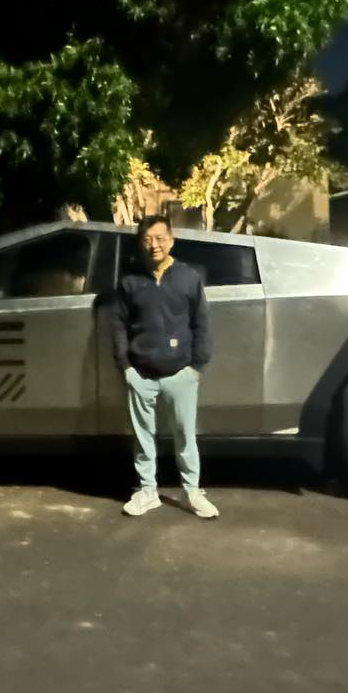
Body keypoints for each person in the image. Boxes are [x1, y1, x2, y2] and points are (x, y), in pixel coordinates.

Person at [112, 215, 218, 519]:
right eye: (147, 239)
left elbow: (202, 323)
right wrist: (126, 367)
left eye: (160, 238)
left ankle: (191, 492)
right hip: (140, 374)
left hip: (181, 373)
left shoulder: (188, 277)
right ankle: (147, 491)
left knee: (186, 436)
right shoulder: (129, 281)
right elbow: (118, 325)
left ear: (171, 240)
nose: (154, 244)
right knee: (143, 438)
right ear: (141, 243)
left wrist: (196, 366)